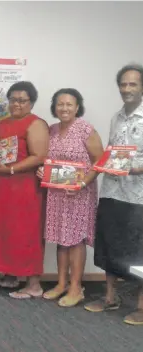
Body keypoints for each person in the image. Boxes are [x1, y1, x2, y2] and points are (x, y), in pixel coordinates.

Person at [0, 81, 49, 299]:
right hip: (1, 186)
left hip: (24, 188)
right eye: (13, 99)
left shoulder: (36, 124)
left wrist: (11, 169)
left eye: (22, 100)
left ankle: (34, 284)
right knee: (4, 230)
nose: (17, 104)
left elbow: (39, 156)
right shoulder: (3, 123)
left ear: (31, 102)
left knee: (26, 233)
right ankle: (9, 276)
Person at [84, 64, 143, 325]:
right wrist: (103, 165)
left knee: (138, 250)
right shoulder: (116, 117)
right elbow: (111, 151)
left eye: (133, 84)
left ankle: (141, 306)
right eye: (124, 84)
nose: (127, 89)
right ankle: (110, 297)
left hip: (137, 196)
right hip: (111, 192)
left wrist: (132, 169)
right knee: (109, 244)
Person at [36, 89, 104, 307]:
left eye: (69, 104)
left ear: (77, 107)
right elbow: (50, 161)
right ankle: (61, 283)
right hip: (57, 193)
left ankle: (76, 287)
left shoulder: (86, 129)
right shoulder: (52, 130)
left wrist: (82, 183)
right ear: (54, 107)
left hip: (79, 193)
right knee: (60, 238)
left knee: (76, 239)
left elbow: (99, 161)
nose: (64, 108)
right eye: (60, 104)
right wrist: (42, 171)